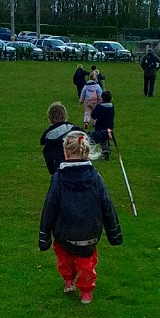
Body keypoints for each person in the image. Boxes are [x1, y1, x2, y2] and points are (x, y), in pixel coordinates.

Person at [38, 130, 122, 304]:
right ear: (86, 151)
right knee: (87, 262)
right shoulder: (96, 178)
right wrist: (114, 233)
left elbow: (49, 207)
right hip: (89, 232)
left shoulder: (58, 178)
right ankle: (86, 292)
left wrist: (44, 235)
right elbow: (107, 205)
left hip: (64, 232)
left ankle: (68, 280)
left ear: (66, 152)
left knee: (65, 258)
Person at [40, 102, 76, 175]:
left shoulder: (49, 137)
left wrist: (52, 171)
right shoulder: (75, 130)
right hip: (77, 167)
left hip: (59, 169)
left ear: (50, 117)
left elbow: (48, 156)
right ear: (65, 115)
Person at [89, 89, 115, 161]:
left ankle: (105, 151)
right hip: (109, 125)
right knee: (106, 137)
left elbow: (93, 115)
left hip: (100, 125)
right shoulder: (111, 107)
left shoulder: (99, 107)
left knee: (102, 139)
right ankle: (106, 150)